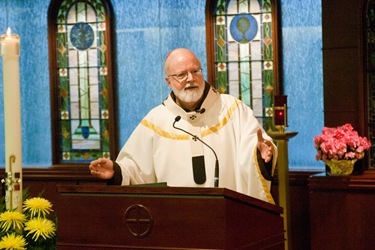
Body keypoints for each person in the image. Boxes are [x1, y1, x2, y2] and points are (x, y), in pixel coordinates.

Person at [89, 48, 278, 203]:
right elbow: (137, 168)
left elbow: (255, 145)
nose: (190, 79)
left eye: (195, 71)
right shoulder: (156, 120)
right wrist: (117, 171)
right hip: (178, 220)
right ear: (168, 81)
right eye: (181, 74)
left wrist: (260, 153)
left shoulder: (232, 110)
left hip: (228, 216)